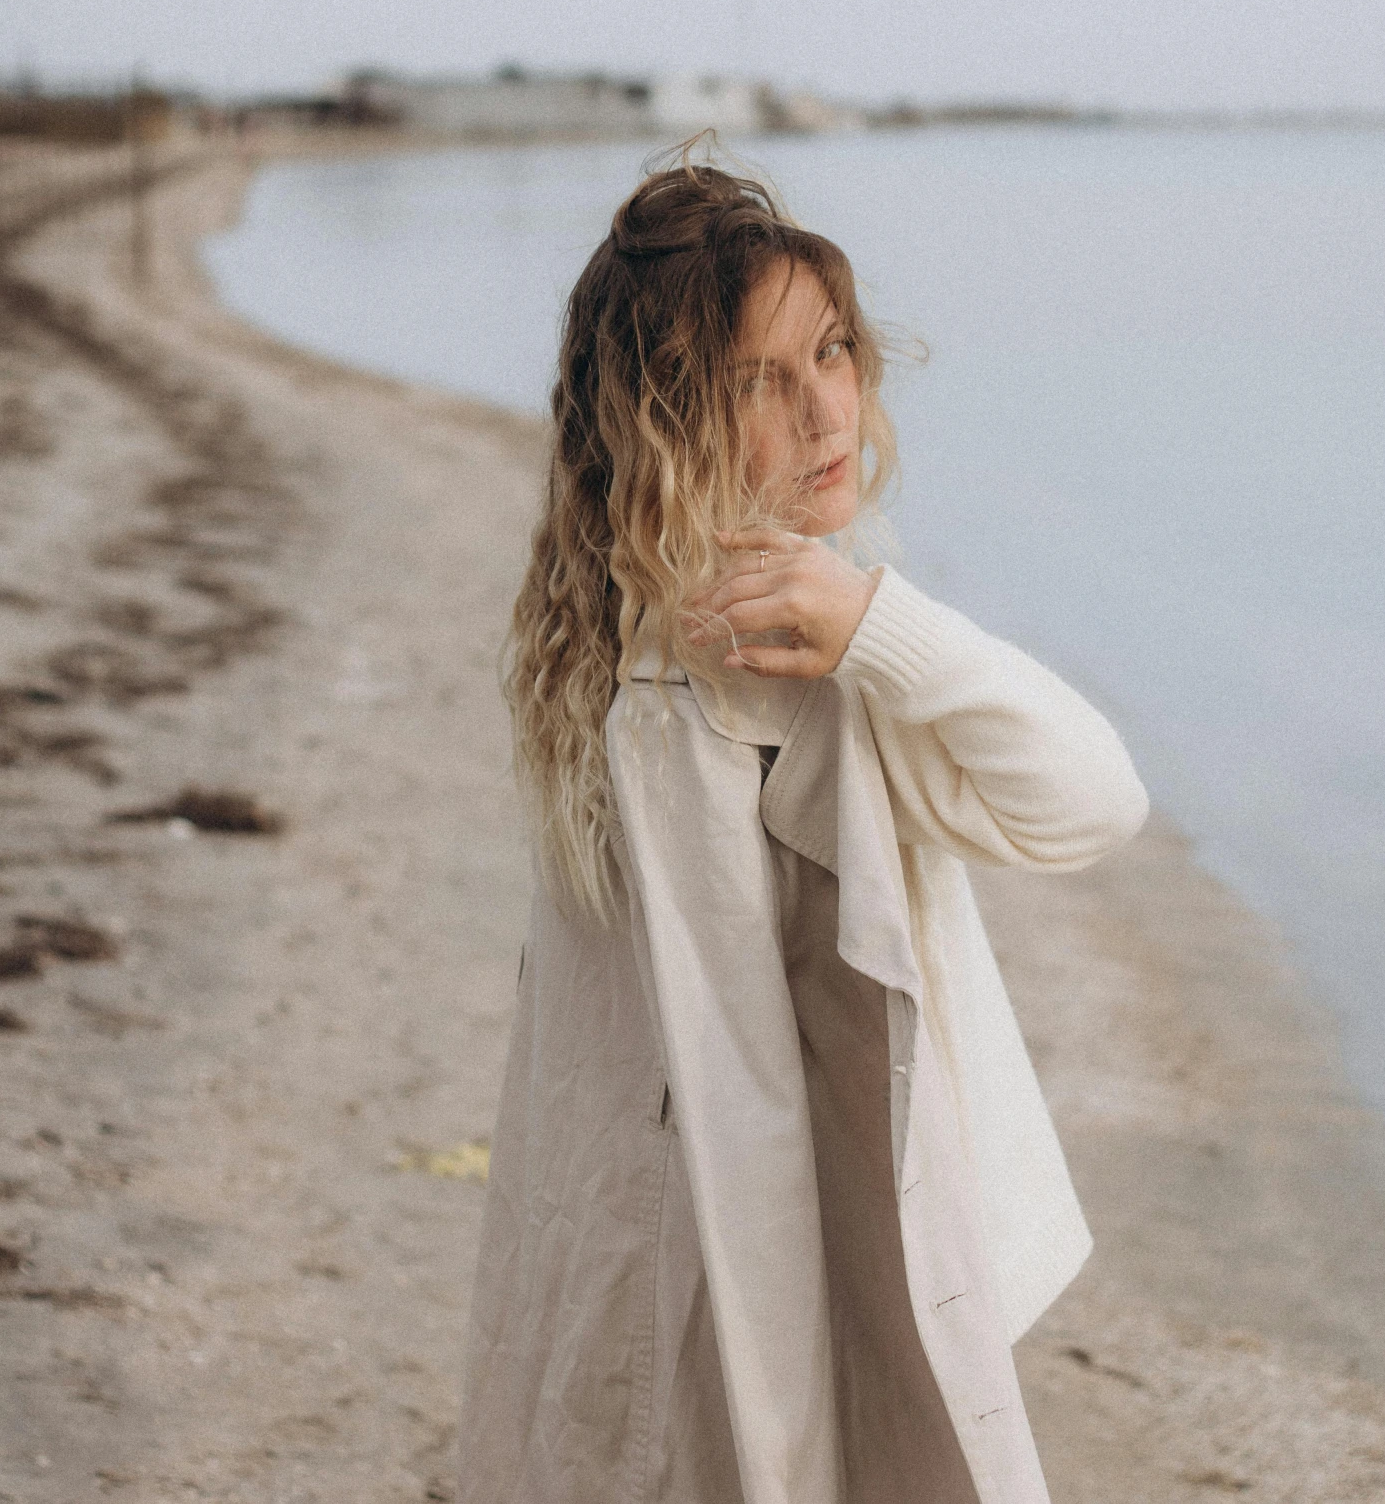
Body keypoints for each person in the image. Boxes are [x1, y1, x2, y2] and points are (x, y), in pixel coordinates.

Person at [459, 158, 1148, 1504]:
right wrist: (873, 630)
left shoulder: (677, 613)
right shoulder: (716, 673)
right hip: (779, 1262)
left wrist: (873, 622)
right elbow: (728, 1095)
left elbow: (1087, 798)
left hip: (763, 1237)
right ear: (671, 419)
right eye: (759, 378)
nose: (828, 404)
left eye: (831, 348)